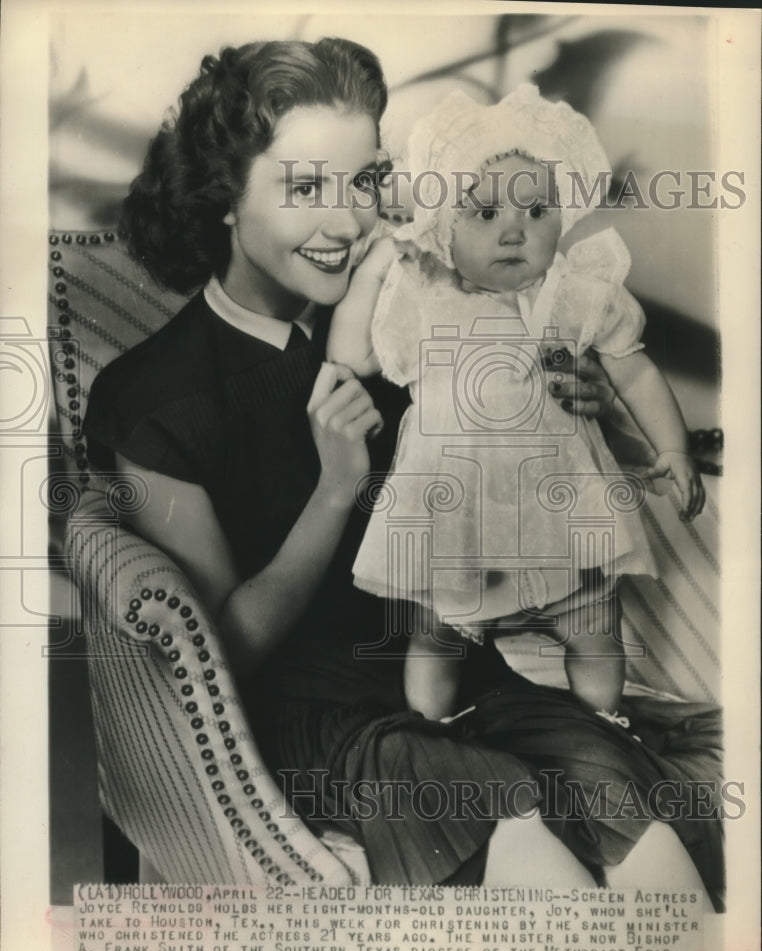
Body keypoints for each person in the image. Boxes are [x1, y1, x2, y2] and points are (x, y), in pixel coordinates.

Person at [82, 39, 722, 902]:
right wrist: (334, 486)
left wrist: (584, 406)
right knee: (511, 828)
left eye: (363, 180)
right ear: (225, 196)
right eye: (305, 187)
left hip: (460, 665)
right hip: (310, 716)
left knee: (627, 813)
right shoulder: (151, 395)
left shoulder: (423, 300)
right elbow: (219, 651)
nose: (347, 222)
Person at [328, 86, 705, 722]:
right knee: (436, 637)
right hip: (458, 519)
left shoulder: (576, 292)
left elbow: (634, 371)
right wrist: (377, 266)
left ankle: (604, 723)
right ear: (442, 226)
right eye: (483, 214)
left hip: (561, 513)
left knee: (593, 630)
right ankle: (434, 729)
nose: (514, 229)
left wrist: (673, 446)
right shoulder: (423, 292)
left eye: (537, 212)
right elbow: (353, 358)